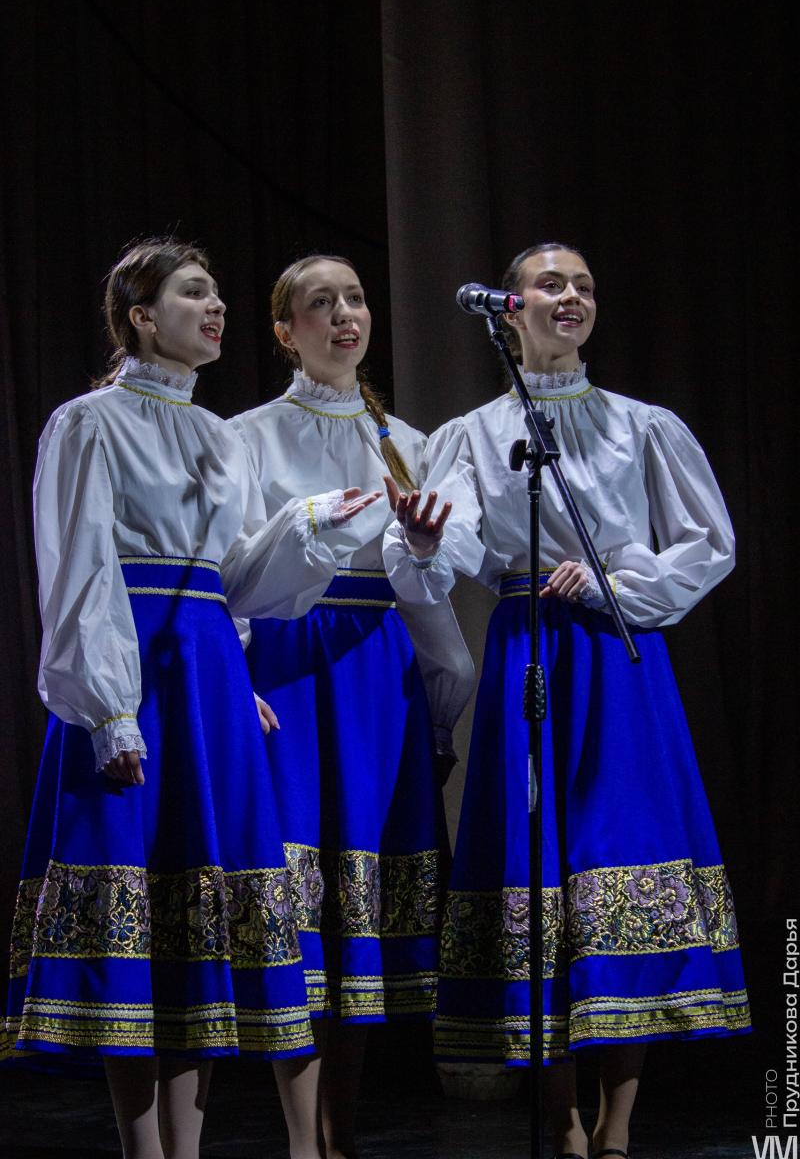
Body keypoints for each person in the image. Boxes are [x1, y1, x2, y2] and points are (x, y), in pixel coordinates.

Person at [2, 238, 381, 1159]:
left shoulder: (217, 435)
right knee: (135, 909)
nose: (215, 309)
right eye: (193, 293)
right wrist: (110, 710)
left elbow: (235, 579)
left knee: (195, 918)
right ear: (141, 316)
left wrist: (307, 525)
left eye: (217, 295)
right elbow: (79, 568)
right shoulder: (89, 422)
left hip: (208, 672)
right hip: (134, 668)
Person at [384, 243, 750, 1159]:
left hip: (618, 654)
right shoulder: (473, 433)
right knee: (537, 871)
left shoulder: (642, 425)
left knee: (618, 864)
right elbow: (460, 542)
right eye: (551, 284)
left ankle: (618, 1125)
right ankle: (562, 1121)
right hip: (531, 650)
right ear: (510, 308)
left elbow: (709, 542)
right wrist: (426, 543)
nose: (572, 296)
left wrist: (617, 583)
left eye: (584, 284)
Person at [230, 254, 473, 1159]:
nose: (345, 315)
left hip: (376, 673)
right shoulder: (246, 437)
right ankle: (301, 1136)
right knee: (298, 899)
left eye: (357, 299)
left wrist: (423, 551)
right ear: (284, 330)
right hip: (290, 664)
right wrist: (234, 680)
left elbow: (432, 588)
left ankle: (341, 1132)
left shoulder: (406, 441)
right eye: (320, 303)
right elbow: (227, 573)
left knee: (358, 907)